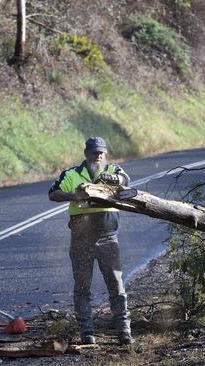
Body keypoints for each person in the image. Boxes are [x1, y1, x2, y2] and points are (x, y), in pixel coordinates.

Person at [48, 137, 134, 345]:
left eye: (102, 152)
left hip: (108, 238)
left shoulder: (113, 170)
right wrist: (73, 196)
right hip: (81, 240)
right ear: (86, 153)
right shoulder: (71, 174)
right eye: (95, 152)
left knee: (116, 284)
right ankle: (87, 332)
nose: (99, 156)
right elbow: (53, 193)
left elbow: (126, 181)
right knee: (82, 286)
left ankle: (124, 331)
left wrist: (115, 181)